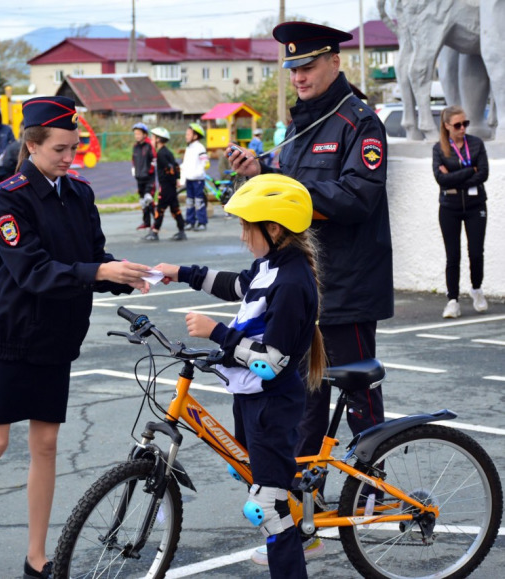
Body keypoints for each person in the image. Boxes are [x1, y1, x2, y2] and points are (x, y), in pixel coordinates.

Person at [0, 96, 153, 579]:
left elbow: (91, 257)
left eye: (74, 148)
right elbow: (34, 270)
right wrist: (100, 269)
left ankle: (36, 557)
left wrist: (129, 274)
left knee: (46, 444)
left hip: (57, 335)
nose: (70, 158)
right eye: (60, 150)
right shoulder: (10, 197)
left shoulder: (80, 194)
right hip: (10, 333)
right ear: (31, 146)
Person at [227, 21, 394, 565]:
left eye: (307, 66)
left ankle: (377, 493)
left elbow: (357, 195)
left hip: (345, 286)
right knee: (301, 407)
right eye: (292, 68)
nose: (298, 76)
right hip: (302, 288)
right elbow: (288, 191)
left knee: (358, 396)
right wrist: (260, 169)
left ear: (334, 64)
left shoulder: (358, 121)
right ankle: (303, 521)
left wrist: (290, 192)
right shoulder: (299, 126)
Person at [155, 174, 326, 579]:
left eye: (247, 227)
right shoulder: (272, 266)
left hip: (272, 403)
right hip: (250, 399)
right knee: (249, 472)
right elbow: (238, 286)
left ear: (274, 228)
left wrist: (217, 332)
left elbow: (272, 361)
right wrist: (180, 272)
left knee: (266, 507)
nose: (242, 236)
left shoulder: (292, 282)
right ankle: (296, 508)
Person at [433, 105, 489, 318]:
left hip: (476, 205)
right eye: (457, 125)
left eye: (465, 123)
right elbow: (441, 179)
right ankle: (453, 300)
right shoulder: (439, 148)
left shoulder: (476, 144)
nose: (463, 128)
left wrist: (455, 176)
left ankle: (476, 288)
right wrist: (469, 171)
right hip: (450, 207)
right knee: (452, 255)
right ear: (447, 126)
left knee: (476, 252)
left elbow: (483, 173)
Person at [145, 127, 186, 241]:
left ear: (158, 139)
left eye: (153, 137)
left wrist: (173, 179)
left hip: (166, 186)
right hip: (171, 186)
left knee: (160, 209)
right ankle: (182, 231)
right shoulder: (168, 152)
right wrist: (177, 179)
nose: (151, 140)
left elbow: (170, 168)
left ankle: (155, 232)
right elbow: (176, 166)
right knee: (175, 208)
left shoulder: (161, 154)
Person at [180, 122, 209, 231]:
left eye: (188, 134)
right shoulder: (189, 148)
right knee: (189, 201)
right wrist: (182, 178)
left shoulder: (200, 148)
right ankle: (190, 221)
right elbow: (186, 164)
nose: (186, 136)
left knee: (199, 201)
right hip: (189, 179)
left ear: (195, 136)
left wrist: (199, 173)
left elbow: (205, 163)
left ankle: (202, 222)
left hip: (197, 179)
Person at [131, 122, 156, 231]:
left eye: (139, 134)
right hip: (139, 177)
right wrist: (135, 170)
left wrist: (149, 171)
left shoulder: (149, 145)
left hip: (149, 178)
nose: (137, 136)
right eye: (135, 134)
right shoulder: (135, 147)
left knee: (148, 199)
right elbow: (134, 159)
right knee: (143, 201)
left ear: (145, 134)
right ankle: (146, 222)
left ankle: (157, 221)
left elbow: (154, 159)